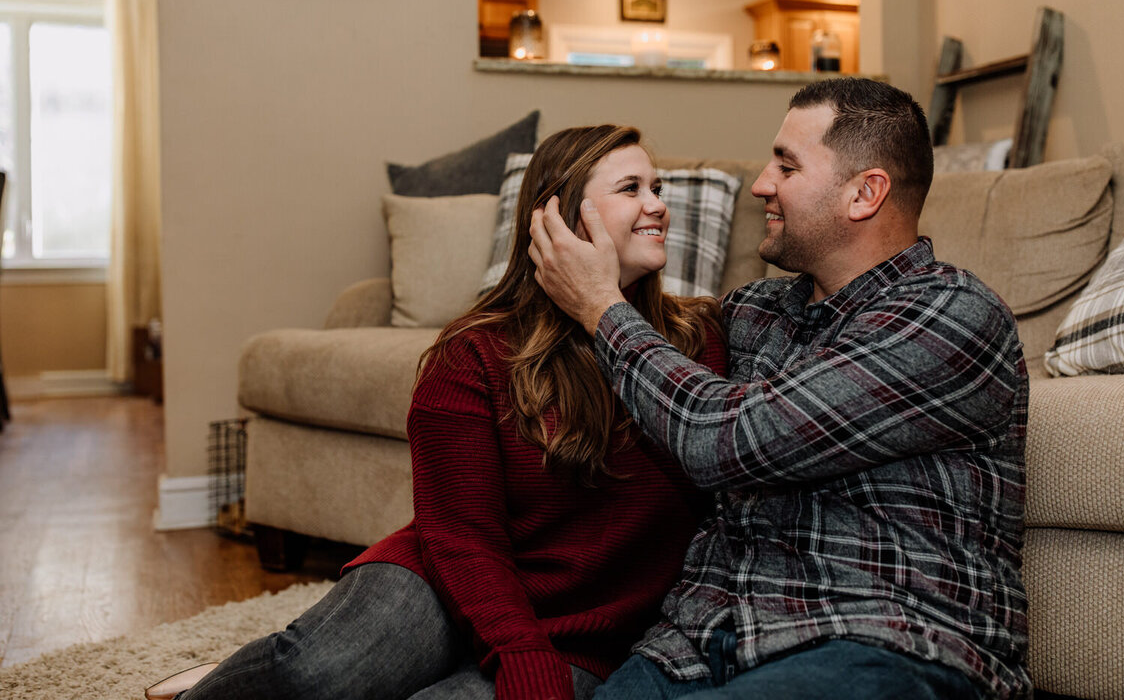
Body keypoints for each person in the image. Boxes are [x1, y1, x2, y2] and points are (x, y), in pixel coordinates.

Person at [144, 125, 727, 700]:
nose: (657, 207)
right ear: (559, 218)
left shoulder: (700, 340)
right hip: (449, 583)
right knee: (314, 674)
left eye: (658, 190)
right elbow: (463, 535)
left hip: (583, 633)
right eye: (632, 189)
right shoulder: (473, 352)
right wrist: (520, 654)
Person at [528, 78, 1031, 699]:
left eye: (786, 166)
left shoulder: (950, 315)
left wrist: (601, 304)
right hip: (693, 644)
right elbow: (652, 349)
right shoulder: (757, 312)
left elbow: (722, 439)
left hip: (883, 640)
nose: (762, 183)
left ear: (865, 193)